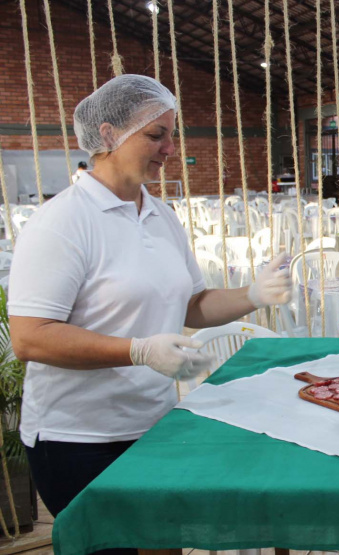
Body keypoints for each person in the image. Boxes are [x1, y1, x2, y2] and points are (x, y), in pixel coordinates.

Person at [8, 74, 293, 521]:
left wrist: (253, 294)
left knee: (159, 544)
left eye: (172, 136)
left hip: (153, 423)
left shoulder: (159, 214)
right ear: (108, 135)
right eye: (156, 135)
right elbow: (31, 338)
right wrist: (138, 350)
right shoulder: (62, 222)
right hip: (79, 439)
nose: (170, 149)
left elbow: (192, 305)